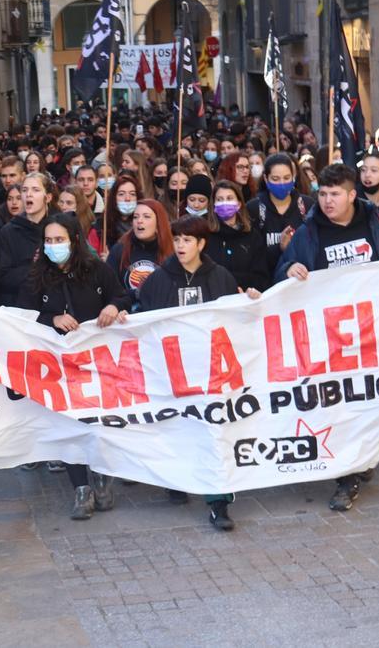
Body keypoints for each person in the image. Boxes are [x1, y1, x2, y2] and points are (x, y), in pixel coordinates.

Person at [275, 163, 379, 510]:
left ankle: (361, 460)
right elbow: (279, 278)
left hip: (377, 335)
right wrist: (288, 268)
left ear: (353, 195)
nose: (326, 201)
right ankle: (349, 476)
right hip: (332, 341)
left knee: (373, 405)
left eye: (335, 194)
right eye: (322, 194)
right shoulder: (309, 234)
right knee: (341, 407)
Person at [139, 215, 260, 530]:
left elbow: (235, 315)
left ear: (201, 244)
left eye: (187, 240)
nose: (180, 245)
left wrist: (251, 302)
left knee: (214, 433)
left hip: (211, 371)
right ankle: (177, 478)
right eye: (176, 239)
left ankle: (218, 503)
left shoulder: (219, 276)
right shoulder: (159, 279)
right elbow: (143, 319)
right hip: (172, 371)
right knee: (176, 428)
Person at [16, 214, 131, 518]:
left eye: (60, 240)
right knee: (68, 424)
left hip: (97, 362)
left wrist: (113, 306)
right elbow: (23, 315)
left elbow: (122, 295)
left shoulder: (97, 270)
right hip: (59, 365)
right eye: (49, 241)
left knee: (100, 422)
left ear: (74, 240)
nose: (54, 246)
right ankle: (80, 487)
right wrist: (50, 319)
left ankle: (103, 475)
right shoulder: (36, 276)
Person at [247, 152, 315, 274]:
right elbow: (252, 255)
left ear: (294, 177)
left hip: (303, 278)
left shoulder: (306, 205)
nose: (282, 183)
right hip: (267, 282)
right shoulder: (254, 209)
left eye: (287, 178)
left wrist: (293, 248)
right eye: (275, 179)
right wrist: (280, 248)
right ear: (266, 178)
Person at [0, 172, 55, 305]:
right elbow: (3, 276)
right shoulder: (9, 231)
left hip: (52, 305)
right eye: (24, 190)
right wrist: (34, 268)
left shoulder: (58, 229)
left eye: (35, 190)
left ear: (48, 197)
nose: (28, 194)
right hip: (20, 306)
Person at [107, 198, 173, 309]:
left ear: (159, 223)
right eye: (136, 217)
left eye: (146, 217)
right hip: (127, 317)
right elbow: (109, 290)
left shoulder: (172, 252)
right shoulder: (119, 250)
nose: (139, 221)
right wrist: (137, 293)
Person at [206, 180, 270, 292]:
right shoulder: (206, 236)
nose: (224, 203)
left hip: (246, 299)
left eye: (229, 198)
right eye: (219, 199)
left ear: (239, 204)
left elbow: (262, 276)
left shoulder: (252, 236)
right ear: (214, 205)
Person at [101, 175, 142, 251]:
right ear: (114, 198)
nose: (127, 198)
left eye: (132, 194)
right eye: (121, 194)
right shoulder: (102, 225)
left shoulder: (144, 225)